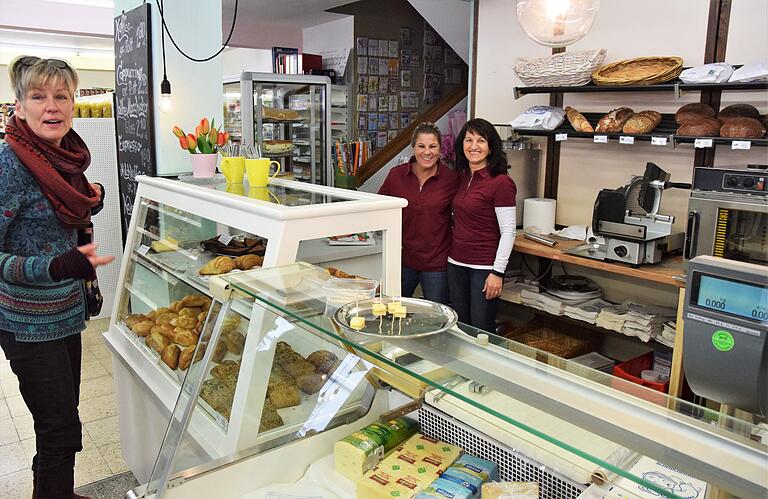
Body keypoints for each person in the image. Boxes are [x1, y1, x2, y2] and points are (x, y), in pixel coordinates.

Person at [0, 56, 115, 499]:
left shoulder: (64, 158)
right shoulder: (10, 166)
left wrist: (94, 198)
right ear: (20, 106)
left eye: (61, 96)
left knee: (64, 417)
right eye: (39, 96)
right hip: (27, 324)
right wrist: (52, 267)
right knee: (59, 427)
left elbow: (66, 206)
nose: (52, 106)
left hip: (65, 313)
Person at [448, 118, 517, 332]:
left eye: (481, 140)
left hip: (484, 268)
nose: (474, 146)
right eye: (469, 140)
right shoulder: (462, 177)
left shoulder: (501, 182)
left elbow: (508, 231)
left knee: (481, 328)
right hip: (456, 263)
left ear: (491, 147)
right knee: (459, 327)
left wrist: (497, 272)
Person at [379, 122, 459, 304]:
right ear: (413, 147)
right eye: (421, 146)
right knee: (392, 310)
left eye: (433, 146)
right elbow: (379, 207)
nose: (427, 152)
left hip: (437, 263)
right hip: (402, 259)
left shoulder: (451, 179)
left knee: (436, 316)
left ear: (440, 149)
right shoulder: (396, 174)